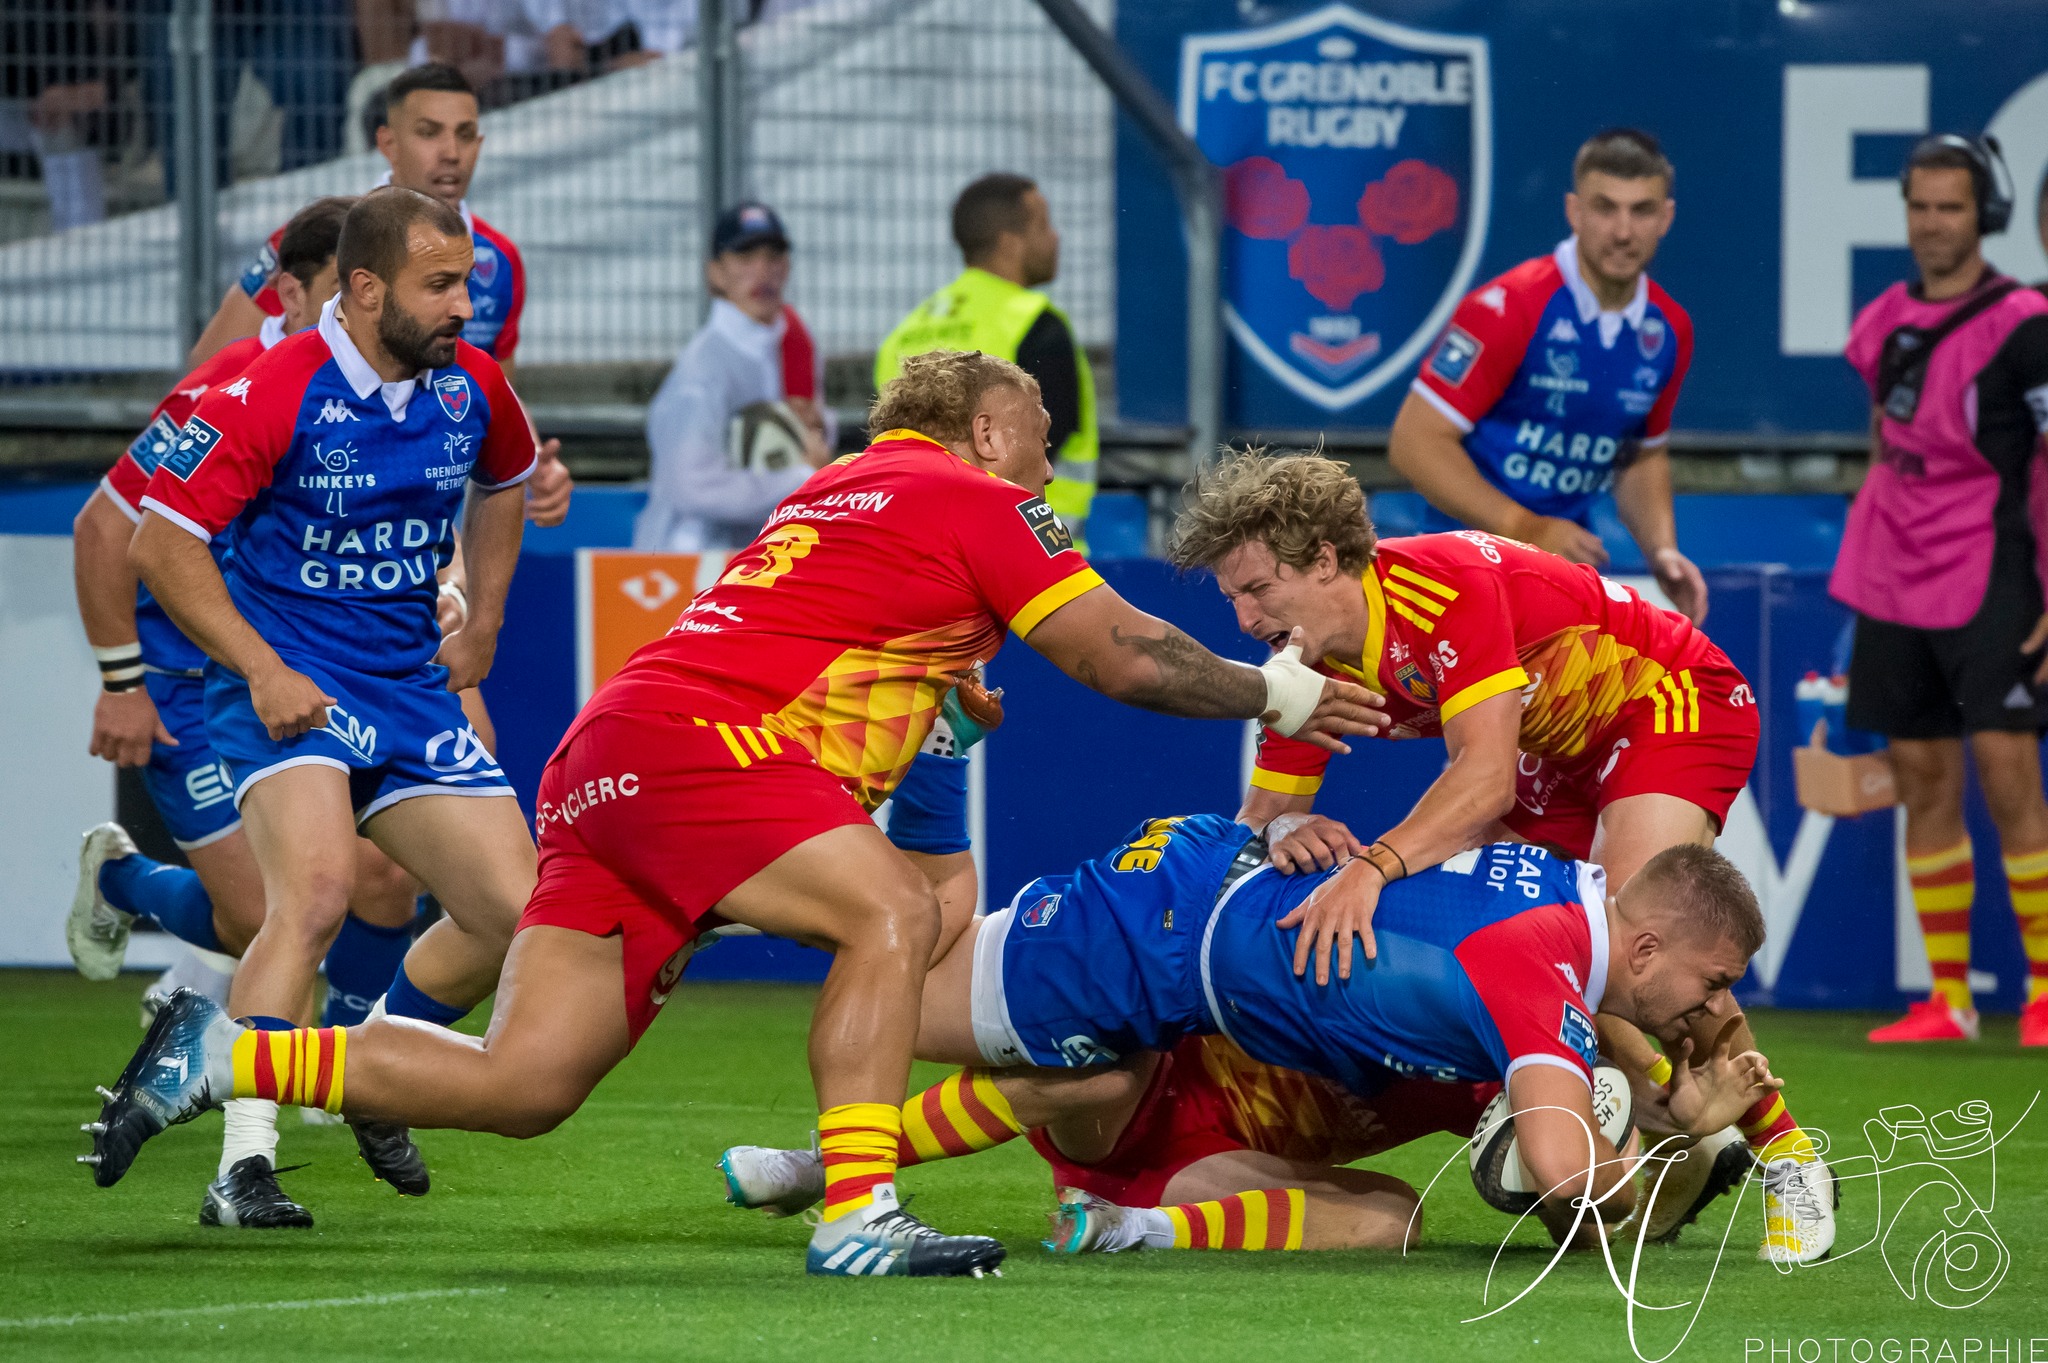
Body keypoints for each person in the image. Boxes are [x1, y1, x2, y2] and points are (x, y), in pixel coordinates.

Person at [82, 350, 1384, 1279]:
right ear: (989, 432)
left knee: (526, 1081)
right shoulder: (983, 499)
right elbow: (1126, 656)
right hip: (699, 752)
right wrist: (1275, 688)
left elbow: (864, 665)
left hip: (609, 755)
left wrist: (940, 696)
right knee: (887, 909)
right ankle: (857, 1212)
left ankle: (227, 1054)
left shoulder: (829, 494)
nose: (1052, 455)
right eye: (1040, 427)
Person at [1169, 449, 1838, 1265]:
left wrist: (1371, 868)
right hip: (1552, 754)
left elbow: (1483, 781)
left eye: (1257, 589)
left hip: (1670, 701)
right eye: (1232, 597)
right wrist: (1283, 833)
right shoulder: (1304, 663)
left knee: (1639, 933)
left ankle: (1791, 1158)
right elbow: (1262, 820)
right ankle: (1682, 1128)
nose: (1244, 620)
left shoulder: (1442, 588)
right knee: (1546, 949)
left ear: (1325, 560)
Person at [719, 817, 1777, 1252]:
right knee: (907, 968)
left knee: (1393, 1221)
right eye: (1715, 981)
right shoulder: (1537, 994)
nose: (1714, 1007)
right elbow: (1564, 1174)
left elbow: (1581, 1210)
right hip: (1161, 966)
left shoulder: (1552, 940)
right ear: (1644, 949)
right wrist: (1675, 1133)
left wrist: (1683, 1131)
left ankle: (1131, 1231)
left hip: (1203, 1114)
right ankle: (821, 1154)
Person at [113, 188, 545, 1230]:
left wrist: (484, 621)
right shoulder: (271, 389)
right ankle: (243, 1166)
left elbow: (509, 481)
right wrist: (261, 667)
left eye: (466, 284)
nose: (463, 308)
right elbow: (157, 542)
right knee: (310, 897)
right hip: (289, 684)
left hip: (407, 687)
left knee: (520, 917)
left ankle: (367, 1071)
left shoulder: (472, 385)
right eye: (439, 286)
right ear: (363, 290)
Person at [1839, 135, 2048, 1048]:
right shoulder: (1883, 317)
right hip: (1893, 571)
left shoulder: (2028, 323)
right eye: (1920, 206)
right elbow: (1881, 439)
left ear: (1986, 215)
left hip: (1993, 567)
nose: (1932, 224)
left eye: (1951, 207)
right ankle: (1949, 999)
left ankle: (2045, 991)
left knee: (2008, 773)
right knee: (1923, 776)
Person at [1390, 128, 1706, 624]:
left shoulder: (1669, 329)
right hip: (1457, 572)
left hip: (1560, 578)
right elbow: (1415, 443)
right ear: (1573, 211)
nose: (1623, 232)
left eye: (1642, 211)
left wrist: (1661, 551)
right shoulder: (1509, 307)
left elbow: (1640, 456)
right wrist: (1526, 527)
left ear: (1666, 218)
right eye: (1605, 208)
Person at [875, 173, 1099, 546]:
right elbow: (1042, 444)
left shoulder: (904, 333)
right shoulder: (1033, 322)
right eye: (1043, 225)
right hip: (1032, 551)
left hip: (925, 549)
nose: (1055, 238)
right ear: (1010, 244)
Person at [633, 200, 835, 553]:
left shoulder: (796, 344)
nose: (762, 270)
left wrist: (819, 432)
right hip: (686, 558)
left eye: (773, 257)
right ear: (715, 273)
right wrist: (799, 479)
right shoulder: (703, 367)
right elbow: (692, 486)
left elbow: (811, 440)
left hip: (762, 553)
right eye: (745, 257)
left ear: (787, 267)